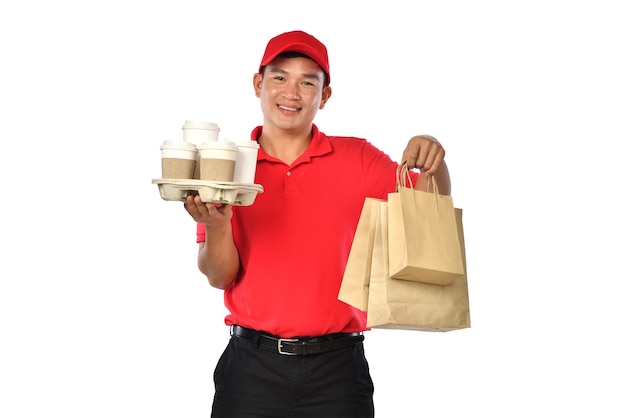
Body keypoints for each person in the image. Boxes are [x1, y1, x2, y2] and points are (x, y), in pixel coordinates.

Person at [184, 30, 451, 417]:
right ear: (259, 84)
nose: (291, 93)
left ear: (324, 95)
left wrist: (434, 159)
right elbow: (220, 277)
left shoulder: (358, 158)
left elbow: (431, 207)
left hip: (337, 372)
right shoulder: (228, 166)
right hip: (250, 370)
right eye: (279, 77)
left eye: (307, 82)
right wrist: (220, 226)